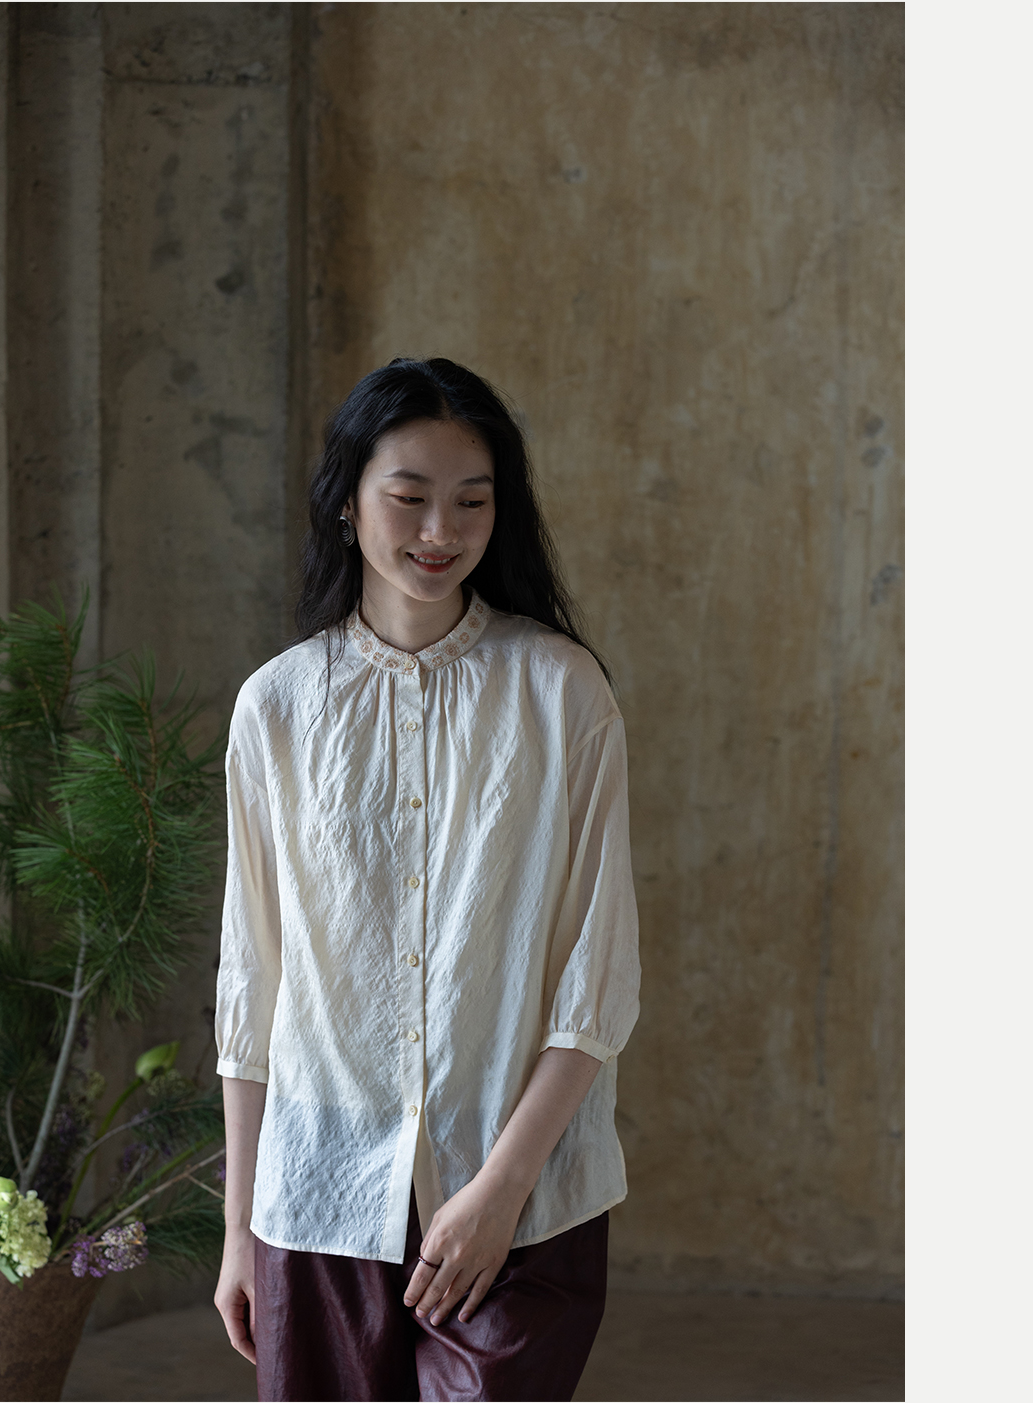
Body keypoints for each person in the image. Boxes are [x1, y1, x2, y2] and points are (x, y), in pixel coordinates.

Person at [213, 356, 641, 1402]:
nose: (440, 530)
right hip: (320, 1192)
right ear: (347, 502)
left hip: (521, 1193)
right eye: (409, 497)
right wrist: (239, 1228)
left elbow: (597, 976)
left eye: (472, 500)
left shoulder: (563, 692)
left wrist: (503, 1185)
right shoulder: (277, 707)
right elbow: (252, 987)